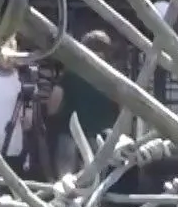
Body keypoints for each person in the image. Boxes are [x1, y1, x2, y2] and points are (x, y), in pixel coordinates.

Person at [45, 30, 122, 179]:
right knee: (96, 180)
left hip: (69, 135)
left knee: (66, 180)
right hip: (100, 137)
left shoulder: (72, 73)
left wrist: (50, 118)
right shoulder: (112, 78)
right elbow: (122, 107)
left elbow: (53, 103)